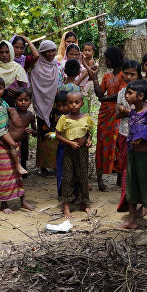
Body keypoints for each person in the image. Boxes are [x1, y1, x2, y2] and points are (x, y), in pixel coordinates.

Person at [121, 80, 147, 229]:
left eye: (129, 93)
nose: (126, 96)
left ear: (140, 96)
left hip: (146, 157)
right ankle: (132, 220)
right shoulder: (133, 113)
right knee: (132, 187)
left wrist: (143, 136)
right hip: (132, 155)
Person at [91, 47, 127, 191]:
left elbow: (121, 94)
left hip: (117, 113)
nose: (105, 61)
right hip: (105, 113)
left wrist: (105, 98)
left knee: (118, 142)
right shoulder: (107, 76)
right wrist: (94, 78)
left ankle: (119, 176)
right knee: (101, 143)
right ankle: (100, 179)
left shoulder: (125, 75)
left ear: (112, 59)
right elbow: (100, 93)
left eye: (106, 58)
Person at [56, 90, 95, 219]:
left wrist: (89, 140)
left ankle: (84, 203)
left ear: (82, 103)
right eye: (71, 102)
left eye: (77, 102)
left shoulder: (86, 118)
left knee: (82, 175)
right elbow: (58, 135)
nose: (74, 105)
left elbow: (89, 132)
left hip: (82, 151)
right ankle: (66, 206)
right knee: (68, 177)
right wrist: (70, 143)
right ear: (67, 104)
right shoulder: (64, 119)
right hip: (68, 150)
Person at [0, 88, 35, 213]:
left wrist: (32, 131)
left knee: (18, 175)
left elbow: (35, 132)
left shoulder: (30, 115)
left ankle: (22, 201)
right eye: (20, 100)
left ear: (30, 101)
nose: (23, 102)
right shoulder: (10, 110)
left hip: (17, 147)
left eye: (26, 100)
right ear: (15, 100)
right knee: (5, 175)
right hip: (4, 146)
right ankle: (4, 204)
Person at [31, 40, 63, 176]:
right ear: (42, 52)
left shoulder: (57, 66)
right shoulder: (35, 66)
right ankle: (43, 167)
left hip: (55, 106)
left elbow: (59, 84)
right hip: (41, 105)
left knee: (56, 134)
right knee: (43, 136)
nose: (51, 54)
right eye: (47, 51)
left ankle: (55, 165)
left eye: (53, 50)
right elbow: (35, 87)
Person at [0, 76, 27, 176]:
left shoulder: (4, 103)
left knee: (13, 145)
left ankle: (14, 166)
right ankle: (18, 165)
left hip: (6, 128)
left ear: (4, 89)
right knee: (13, 144)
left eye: (0, 88)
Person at [112, 61, 140, 210]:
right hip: (124, 133)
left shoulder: (142, 91)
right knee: (125, 168)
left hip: (139, 136)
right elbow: (117, 114)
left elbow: (142, 114)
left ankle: (140, 203)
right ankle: (126, 202)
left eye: (132, 74)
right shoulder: (122, 92)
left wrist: (125, 110)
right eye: (126, 73)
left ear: (138, 75)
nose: (129, 77)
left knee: (137, 169)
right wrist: (128, 111)